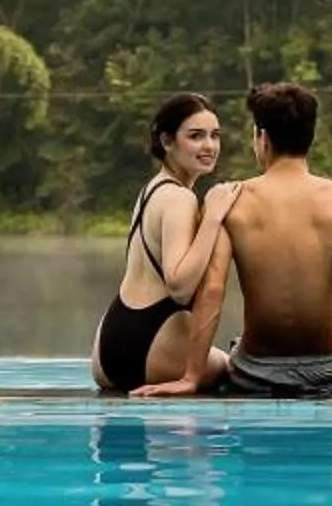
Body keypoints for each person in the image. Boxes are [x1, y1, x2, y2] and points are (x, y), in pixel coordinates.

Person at [135, 82, 332, 401]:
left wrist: (191, 377)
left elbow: (212, 291)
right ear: (310, 137)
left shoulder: (231, 203)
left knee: (235, 351)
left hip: (257, 370)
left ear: (262, 139)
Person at [90, 93, 243, 394]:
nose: (209, 146)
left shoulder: (152, 189)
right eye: (196, 136)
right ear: (167, 141)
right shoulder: (178, 198)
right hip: (152, 345)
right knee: (243, 371)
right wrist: (213, 217)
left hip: (109, 347)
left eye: (215, 136)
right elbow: (180, 284)